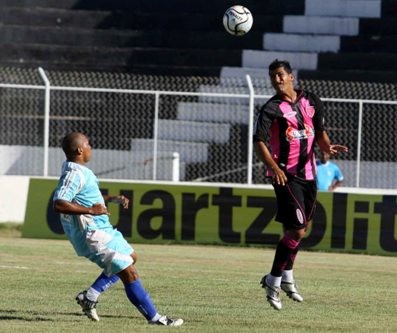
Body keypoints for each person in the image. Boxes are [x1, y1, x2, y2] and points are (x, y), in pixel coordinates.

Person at [53, 132, 183, 326]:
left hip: (102, 229)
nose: (91, 147)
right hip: (93, 233)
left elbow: (87, 197)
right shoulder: (73, 173)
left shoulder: (80, 171)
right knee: (129, 272)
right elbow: (59, 203)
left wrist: (111, 199)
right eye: (88, 144)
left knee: (131, 257)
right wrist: (91, 210)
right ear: (80, 149)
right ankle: (155, 319)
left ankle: (91, 295)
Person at [253, 59, 348, 310]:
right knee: (296, 230)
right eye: (273, 76)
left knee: (300, 230)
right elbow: (259, 141)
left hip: (309, 175)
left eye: (281, 75)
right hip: (285, 176)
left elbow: (319, 129)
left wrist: (327, 146)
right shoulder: (271, 108)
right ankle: (272, 280)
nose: (277, 79)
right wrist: (273, 167)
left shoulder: (311, 100)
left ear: (291, 76)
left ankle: (287, 277)